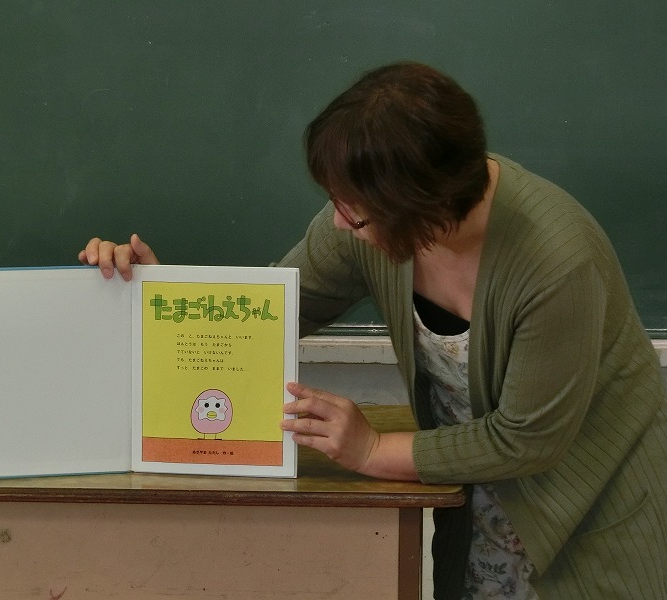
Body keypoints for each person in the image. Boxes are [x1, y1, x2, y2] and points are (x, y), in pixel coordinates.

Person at [79, 62, 667, 599]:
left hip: (592, 508)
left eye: (355, 212)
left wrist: (371, 449)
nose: (338, 222)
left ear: (423, 207)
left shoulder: (557, 264)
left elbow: (527, 440)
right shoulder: (366, 218)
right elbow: (266, 318)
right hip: (479, 504)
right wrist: (155, 296)